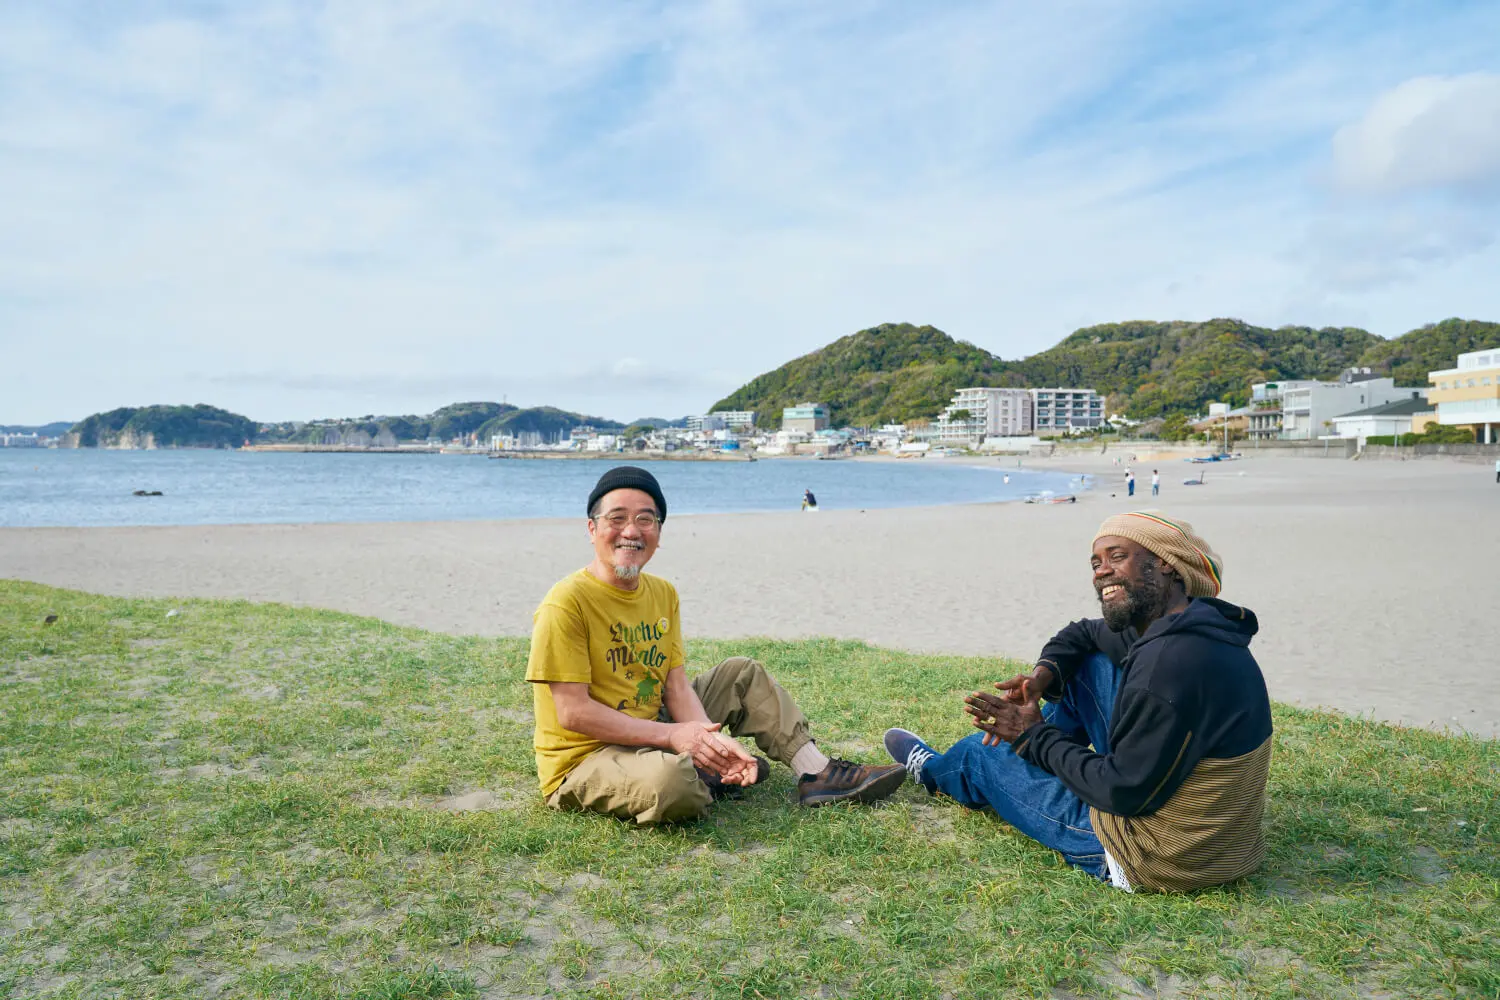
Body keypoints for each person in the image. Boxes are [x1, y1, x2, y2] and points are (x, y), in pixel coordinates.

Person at [883, 511, 1272, 892]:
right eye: (1096, 562)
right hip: (1224, 841)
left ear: (1167, 565)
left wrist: (1032, 736)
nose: (1101, 571)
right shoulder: (1191, 626)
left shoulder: (1166, 666)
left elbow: (1122, 792)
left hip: (1160, 855)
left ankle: (935, 772)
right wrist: (1042, 676)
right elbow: (1083, 633)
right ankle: (1032, 753)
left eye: (1117, 557)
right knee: (1090, 664)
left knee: (979, 756)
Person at [527, 466, 905, 825]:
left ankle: (816, 772)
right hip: (586, 757)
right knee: (671, 785)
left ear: (658, 532)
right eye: (617, 518)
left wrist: (705, 739)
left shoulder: (662, 593)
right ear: (592, 529)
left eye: (646, 519)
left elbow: (674, 686)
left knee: (741, 673)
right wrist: (677, 737)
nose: (631, 530)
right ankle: (702, 774)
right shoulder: (566, 603)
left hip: (651, 729)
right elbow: (573, 713)